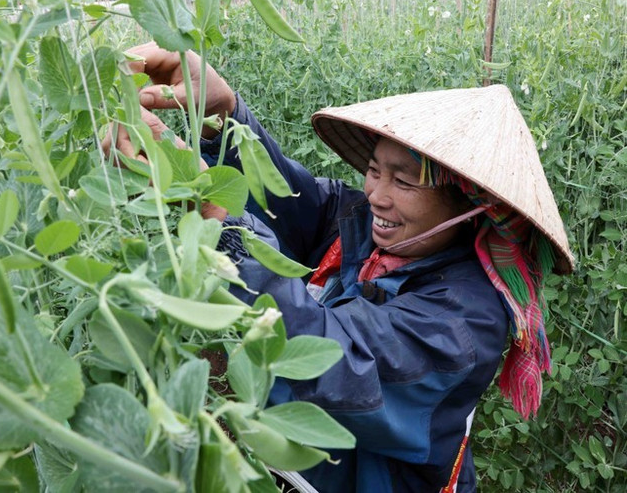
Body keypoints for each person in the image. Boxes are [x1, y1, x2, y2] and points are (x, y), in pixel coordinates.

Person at [106, 43, 574, 493]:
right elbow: (284, 200)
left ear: (471, 206)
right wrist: (219, 122)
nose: (376, 195)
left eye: (404, 181)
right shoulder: (361, 224)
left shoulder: (464, 321)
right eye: (374, 170)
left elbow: (336, 366)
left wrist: (218, 222)